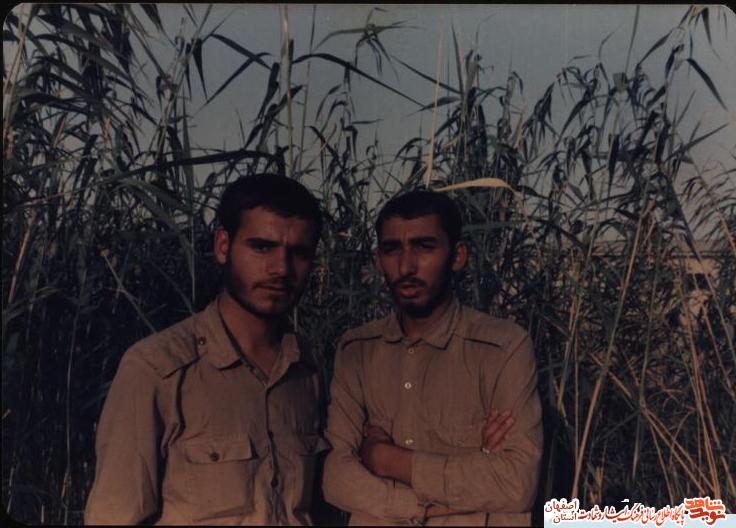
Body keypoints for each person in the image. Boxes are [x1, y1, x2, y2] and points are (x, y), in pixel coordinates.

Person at [85, 174, 329, 525]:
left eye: (299, 253)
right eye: (262, 247)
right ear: (223, 246)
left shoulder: (307, 370)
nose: (281, 268)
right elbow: (113, 517)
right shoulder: (156, 370)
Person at [322, 190, 543, 526]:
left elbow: (517, 483)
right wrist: (422, 507)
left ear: (457, 256)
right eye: (392, 249)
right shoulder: (357, 351)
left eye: (424, 247)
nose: (406, 266)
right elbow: (336, 477)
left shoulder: (502, 349)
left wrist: (386, 459)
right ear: (379, 259)